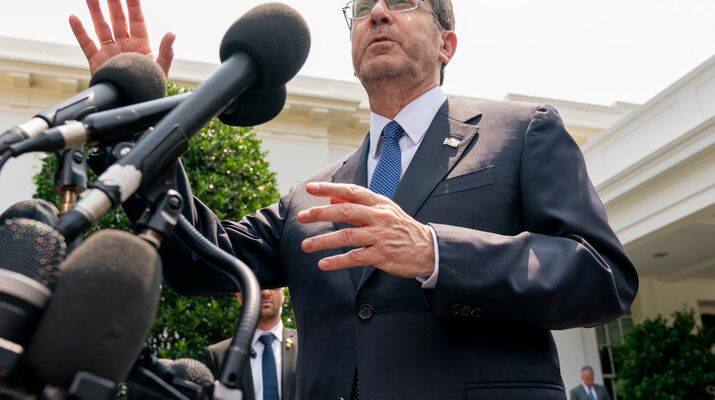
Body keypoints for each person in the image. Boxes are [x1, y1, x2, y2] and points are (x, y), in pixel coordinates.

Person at [69, 0, 639, 398]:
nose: (378, 13)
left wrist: (436, 253)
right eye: (363, 5)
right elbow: (198, 257)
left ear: (448, 43)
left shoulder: (521, 133)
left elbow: (603, 276)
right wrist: (134, 129)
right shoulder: (311, 197)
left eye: (403, 1)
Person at [202, 288, 297, 400]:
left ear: (283, 294)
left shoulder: (307, 347)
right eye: (258, 286)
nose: (266, 292)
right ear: (239, 295)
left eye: (273, 286)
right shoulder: (219, 355)